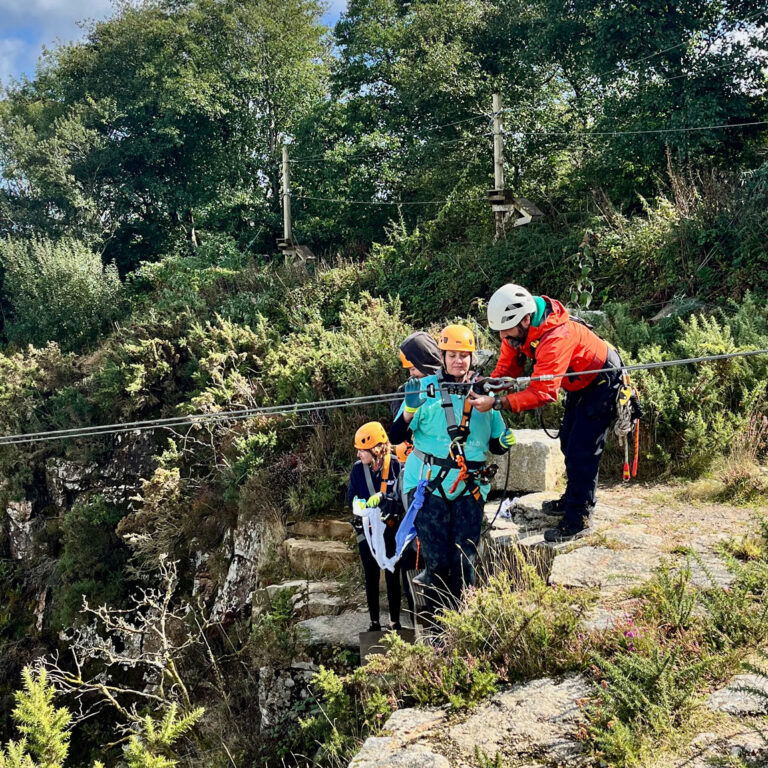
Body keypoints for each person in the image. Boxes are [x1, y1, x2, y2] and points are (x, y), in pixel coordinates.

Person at [469, 284, 622, 542]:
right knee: (567, 440)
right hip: (579, 382)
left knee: (582, 449)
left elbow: (543, 393)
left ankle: (578, 519)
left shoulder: (556, 336)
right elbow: (507, 368)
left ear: (526, 319)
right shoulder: (517, 330)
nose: (504, 337)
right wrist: (490, 385)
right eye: (501, 332)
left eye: (508, 331)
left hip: (602, 382)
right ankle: (572, 498)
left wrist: (498, 403)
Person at [398, 324, 515, 615]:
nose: (458, 361)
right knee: (436, 561)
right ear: (443, 356)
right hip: (428, 486)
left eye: (464, 355)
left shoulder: (483, 394)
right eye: (452, 355)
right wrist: (410, 410)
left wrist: (503, 441)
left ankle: (463, 624)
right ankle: (438, 627)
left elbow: (496, 443)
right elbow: (395, 435)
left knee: (465, 560)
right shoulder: (425, 390)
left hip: (469, 488)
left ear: (472, 358)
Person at [346, 421, 414, 632]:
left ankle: (395, 622)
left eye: (362, 451)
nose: (359, 455)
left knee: (393, 573)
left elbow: (403, 499)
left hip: (391, 528)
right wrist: (357, 504)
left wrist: (383, 499)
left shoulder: (396, 466)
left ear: (375, 449)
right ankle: (374, 622)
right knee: (371, 575)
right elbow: (351, 497)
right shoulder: (358, 471)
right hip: (367, 530)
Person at [389, 331, 442, 454]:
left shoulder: (452, 381)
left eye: (413, 369)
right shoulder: (406, 391)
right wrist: (409, 411)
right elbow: (397, 435)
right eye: (409, 370)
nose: (411, 374)